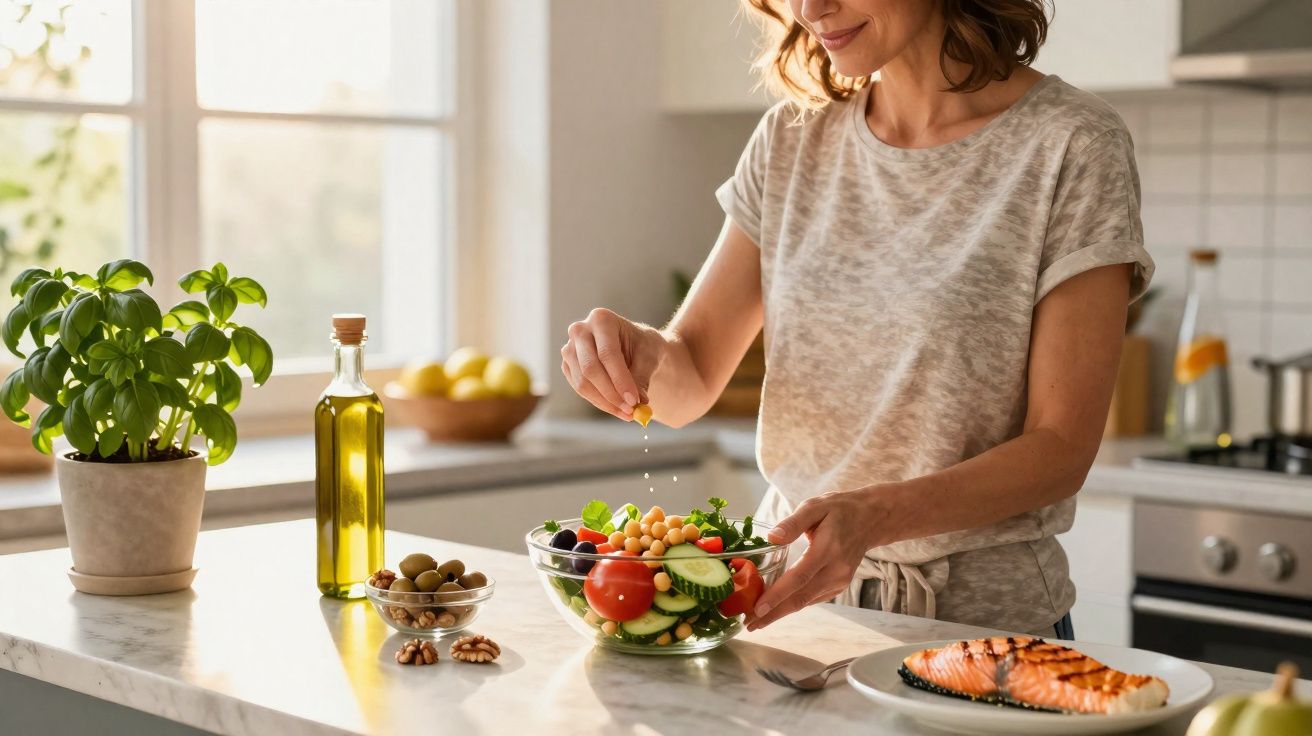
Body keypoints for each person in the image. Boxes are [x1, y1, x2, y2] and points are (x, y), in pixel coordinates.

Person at [558, 0, 1152, 637]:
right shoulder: (792, 138)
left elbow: (1061, 449)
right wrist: (636, 357)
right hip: (786, 615)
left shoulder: (1071, 143)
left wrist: (875, 515)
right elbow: (690, 378)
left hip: (982, 635)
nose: (811, 9)